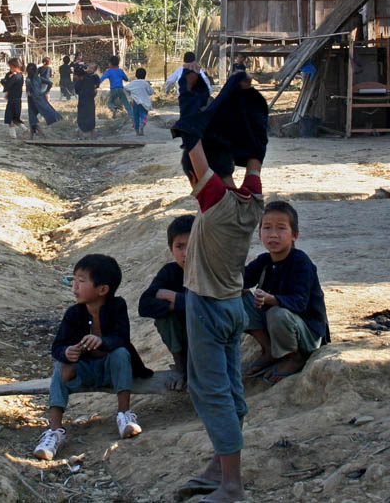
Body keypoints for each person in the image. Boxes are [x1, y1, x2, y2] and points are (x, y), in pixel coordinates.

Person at [170, 65, 266, 503]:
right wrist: (240, 99)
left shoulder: (216, 203)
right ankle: (218, 467)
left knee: (210, 391)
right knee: (230, 388)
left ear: (199, 183)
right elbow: (256, 152)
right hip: (233, 306)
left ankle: (232, 486)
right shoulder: (252, 203)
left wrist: (195, 101)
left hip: (208, 308)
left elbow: (194, 148)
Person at [32, 254, 153, 461]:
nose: (75, 287)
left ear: (102, 290)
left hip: (111, 371)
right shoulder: (73, 314)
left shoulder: (117, 306)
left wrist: (103, 341)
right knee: (59, 367)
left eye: (81, 281)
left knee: (120, 353)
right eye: (74, 281)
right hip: (85, 371)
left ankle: (124, 414)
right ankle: (54, 431)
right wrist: (67, 353)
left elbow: (122, 338)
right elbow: (58, 346)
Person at [241, 201, 329, 384]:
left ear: (294, 235)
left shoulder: (301, 262)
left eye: (281, 228)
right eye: (267, 228)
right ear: (259, 233)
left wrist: (271, 299)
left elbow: (299, 303)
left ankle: (293, 357)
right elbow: (242, 280)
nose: (273, 234)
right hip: (277, 325)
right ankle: (269, 350)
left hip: (307, 332)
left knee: (277, 313)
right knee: (238, 296)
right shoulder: (264, 260)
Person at [138, 214, 194, 391]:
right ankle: (180, 367)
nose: (185, 253)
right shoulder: (169, 272)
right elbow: (144, 305)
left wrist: (173, 297)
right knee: (165, 317)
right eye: (180, 246)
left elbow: (209, 305)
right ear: (171, 249)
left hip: (209, 336)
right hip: (183, 336)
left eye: (192, 245)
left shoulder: (210, 271)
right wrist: (175, 305)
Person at [25, 62, 62, 139]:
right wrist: (45, 91)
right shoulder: (39, 78)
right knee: (41, 114)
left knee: (32, 117)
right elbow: (50, 83)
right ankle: (33, 135)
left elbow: (28, 91)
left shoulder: (28, 79)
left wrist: (29, 92)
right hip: (41, 98)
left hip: (32, 100)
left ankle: (40, 134)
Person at [74, 64, 101, 140]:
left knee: (81, 119)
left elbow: (77, 91)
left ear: (79, 75)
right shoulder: (91, 78)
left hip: (82, 103)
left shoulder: (79, 82)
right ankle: (93, 137)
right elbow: (94, 90)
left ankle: (82, 137)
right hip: (90, 102)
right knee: (91, 118)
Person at [125, 67, 153, 136]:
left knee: (136, 117)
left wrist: (130, 94)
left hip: (135, 103)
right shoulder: (146, 83)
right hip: (144, 103)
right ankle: (142, 124)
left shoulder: (133, 83)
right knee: (143, 115)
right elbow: (151, 92)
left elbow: (125, 88)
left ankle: (137, 131)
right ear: (145, 75)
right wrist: (149, 85)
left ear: (136, 75)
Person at [1, 58, 25, 138]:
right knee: (15, 117)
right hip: (18, 99)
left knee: (9, 117)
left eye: (11, 67)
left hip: (12, 99)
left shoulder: (15, 76)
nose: (10, 69)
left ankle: (13, 134)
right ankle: (24, 129)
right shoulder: (21, 75)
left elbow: (7, 85)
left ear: (16, 66)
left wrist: (4, 81)